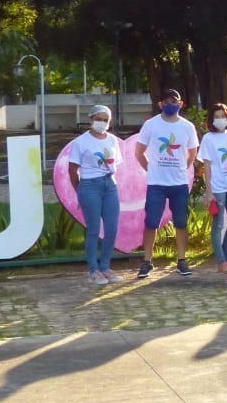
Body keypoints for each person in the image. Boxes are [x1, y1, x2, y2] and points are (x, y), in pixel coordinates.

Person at [135, 88, 199, 278]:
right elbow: (139, 151)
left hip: (178, 183)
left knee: (180, 222)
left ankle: (181, 260)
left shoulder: (187, 126)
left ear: (181, 104)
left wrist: (183, 168)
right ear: (160, 104)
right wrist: (150, 169)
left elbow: (192, 152)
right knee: (151, 222)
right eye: (167, 101)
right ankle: (147, 261)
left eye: (174, 101)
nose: (171, 105)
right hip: (156, 183)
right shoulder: (150, 125)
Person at [68, 104, 124, 285]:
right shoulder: (81, 142)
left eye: (105, 120)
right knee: (93, 229)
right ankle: (93, 270)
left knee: (111, 229)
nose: (102, 123)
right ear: (91, 119)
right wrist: (80, 190)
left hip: (110, 184)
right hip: (89, 185)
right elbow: (72, 169)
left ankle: (105, 266)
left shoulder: (112, 140)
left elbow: (116, 163)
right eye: (98, 119)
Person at [198, 102, 227, 273]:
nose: (220, 119)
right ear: (211, 120)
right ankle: (221, 262)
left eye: (223, 116)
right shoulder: (208, 138)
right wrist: (209, 190)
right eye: (216, 117)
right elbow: (207, 166)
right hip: (217, 187)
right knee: (218, 225)